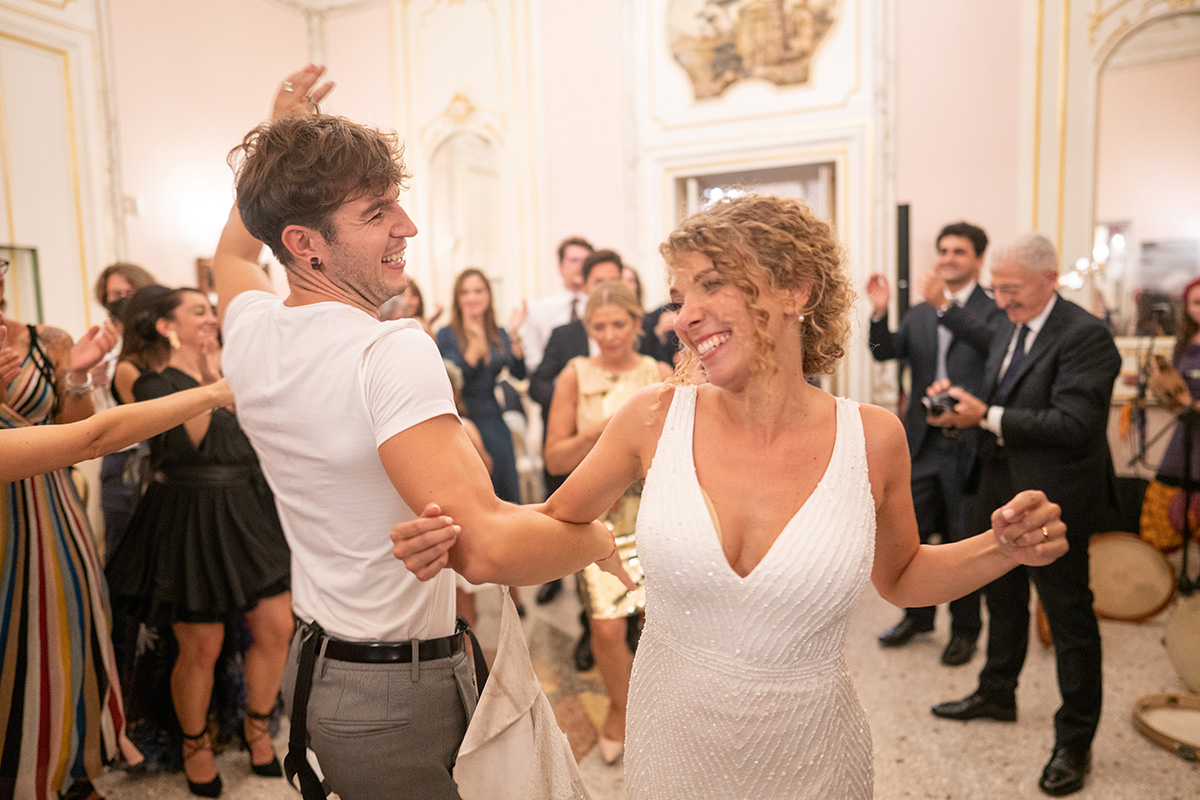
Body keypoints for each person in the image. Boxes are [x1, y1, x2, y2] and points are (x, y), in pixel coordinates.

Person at [394, 194, 1069, 800]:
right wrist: (457, 540)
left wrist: (1000, 548)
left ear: (795, 287)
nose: (685, 317)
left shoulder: (873, 438)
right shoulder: (654, 418)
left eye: (711, 285)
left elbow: (901, 576)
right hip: (673, 756)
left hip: (815, 761)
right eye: (680, 295)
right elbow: (547, 525)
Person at [212, 65, 620, 800]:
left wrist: (282, 134)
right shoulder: (387, 348)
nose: (408, 227)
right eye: (377, 214)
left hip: (317, 671)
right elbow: (488, 547)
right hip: (394, 689)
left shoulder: (250, 329)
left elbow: (235, 254)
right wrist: (603, 540)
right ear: (306, 244)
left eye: (397, 204)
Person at [926, 233, 1121, 797]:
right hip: (996, 484)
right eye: (998, 290)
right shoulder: (1009, 325)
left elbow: (1073, 424)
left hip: (1053, 498)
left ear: (1049, 279)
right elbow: (1003, 396)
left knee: (1067, 618)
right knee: (1001, 599)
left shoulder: (1087, 336)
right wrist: (962, 407)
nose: (1003, 301)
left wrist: (986, 414)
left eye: (1011, 290)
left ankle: (1075, 740)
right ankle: (996, 692)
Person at [105, 288, 294, 796]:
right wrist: (210, 379)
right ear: (168, 326)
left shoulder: (226, 371)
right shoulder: (152, 382)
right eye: (199, 312)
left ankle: (258, 725)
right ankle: (195, 744)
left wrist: (217, 372)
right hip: (191, 515)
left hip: (248, 510)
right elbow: (186, 440)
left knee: (277, 625)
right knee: (202, 644)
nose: (212, 318)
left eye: (212, 311)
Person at [1, 258, 134, 800]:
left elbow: (77, 431)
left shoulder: (45, 339)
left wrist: (76, 375)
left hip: (43, 508)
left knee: (64, 627)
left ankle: (64, 765)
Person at [543, 280, 672, 763]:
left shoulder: (658, 371)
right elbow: (555, 457)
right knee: (606, 629)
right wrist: (604, 434)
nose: (611, 334)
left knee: (664, 623)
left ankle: (660, 709)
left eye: (620, 323)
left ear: (637, 324)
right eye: (600, 326)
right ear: (588, 329)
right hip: (601, 523)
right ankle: (619, 706)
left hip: (657, 516)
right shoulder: (573, 376)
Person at [865, 222, 1003, 665]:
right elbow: (887, 351)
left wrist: (947, 308)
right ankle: (917, 618)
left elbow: (993, 347)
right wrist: (879, 313)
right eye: (942, 250)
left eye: (958, 251)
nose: (947, 258)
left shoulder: (994, 308)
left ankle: (964, 631)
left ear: (978, 259)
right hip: (922, 443)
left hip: (969, 443)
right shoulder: (921, 311)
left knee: (963, 539)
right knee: (913, 532)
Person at [526, 250, 624, 651]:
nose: (610, 332)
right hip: (577, 459)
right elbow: (537, 384)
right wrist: (572, 406)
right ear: (583, 286)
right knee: (576, 539)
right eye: (597, 281)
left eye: (612, 280)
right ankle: (590, 624)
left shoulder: (643, 339)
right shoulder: (566, 336)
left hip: (634, 489)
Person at [436, 268, 527, 505]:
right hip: (464, 418)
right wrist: (474, 347)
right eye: (465, 292)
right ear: (458, 299)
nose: (472, 297)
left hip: (494, 416)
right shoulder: (447, 335)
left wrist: (515, 335)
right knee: (481, 490)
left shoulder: (498, 333)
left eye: (478, 291)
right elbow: (454, 379)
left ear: (488, 295)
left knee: (508, 487)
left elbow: (519, 373)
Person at [90, 264, 158, 559]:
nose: (122, 300)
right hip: (120, 456)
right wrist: (90, 380)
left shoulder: (157, 341)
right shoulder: (99, 343)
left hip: (156, 451)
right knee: (122, 547)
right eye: (115, 294)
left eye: (129, 293)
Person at [1140, 276, 1200, 550]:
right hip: (1187, 433)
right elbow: (1176, 389)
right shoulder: (1183, 345)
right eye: (1197, 302)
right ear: (1187, 307)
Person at [522, 236, 593, 372]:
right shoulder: (538, 310)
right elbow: (533, 362)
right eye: (574, 260)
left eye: (586, 261)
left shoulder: (599, 309)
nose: (580, 266)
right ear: (560, 267)